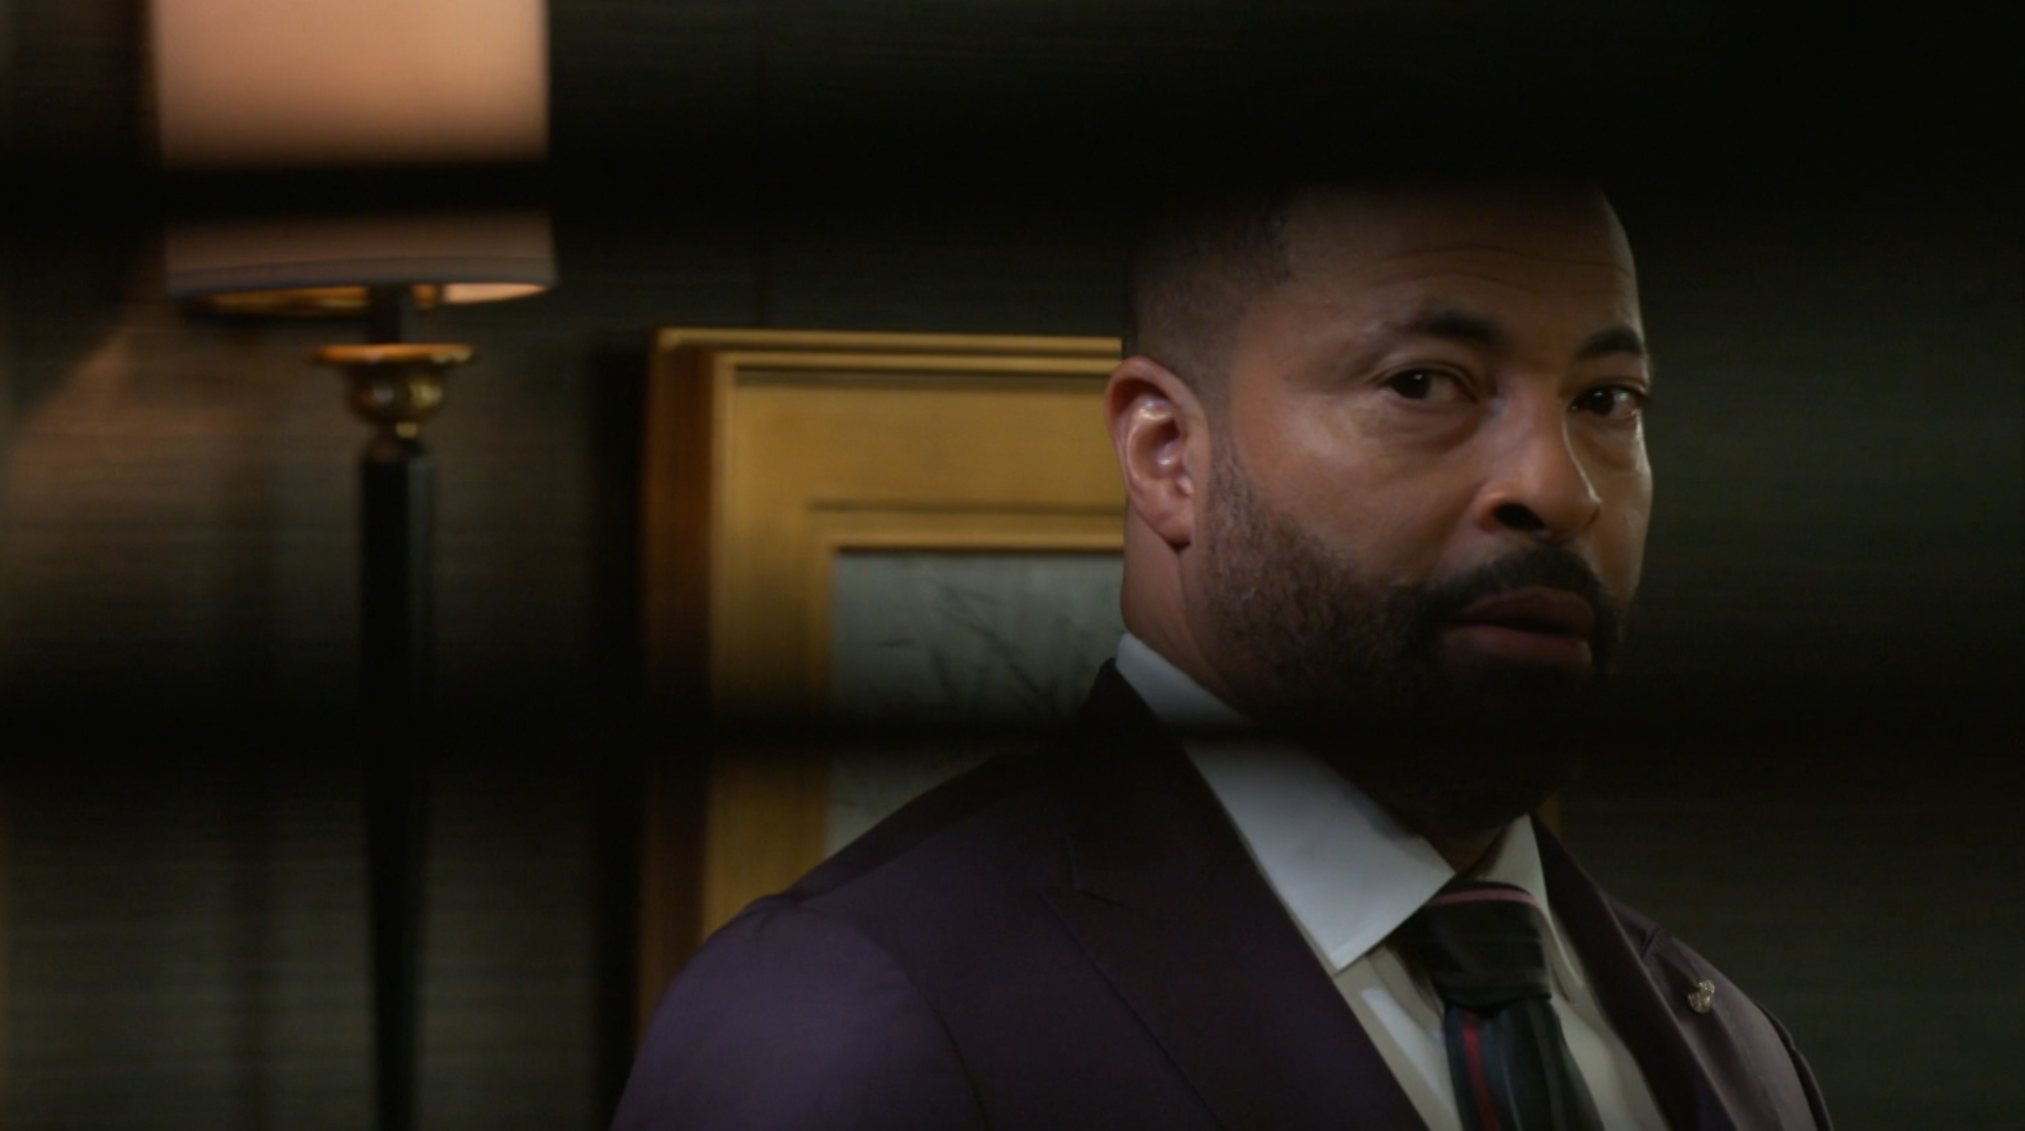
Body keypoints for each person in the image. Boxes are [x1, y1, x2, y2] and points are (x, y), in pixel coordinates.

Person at [611, 177, 1831, 1130]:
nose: (1555, 489)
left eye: (1606, 401)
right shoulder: (851, 1012)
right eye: (1423, 383)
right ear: (1163, 455)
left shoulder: (1733, 1055)